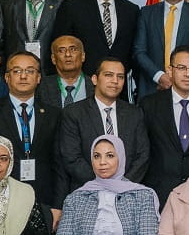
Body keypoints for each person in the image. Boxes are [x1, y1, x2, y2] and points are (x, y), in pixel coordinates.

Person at [0, 51, 61, 207]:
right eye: (17, 71)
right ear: (7, 77)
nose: (23, 76)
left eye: (30, 71)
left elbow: (59, 164)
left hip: (44, 198)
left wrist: (57, 205)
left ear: (38, 78)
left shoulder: (53, 114)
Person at [55, 56, 150, 200]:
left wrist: (122, 185)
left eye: (120, 77)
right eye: (108, 75)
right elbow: (72, 157)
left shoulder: (135, 113)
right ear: (94, 79)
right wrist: (103, 185)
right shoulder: (74, 113)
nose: (115, 81)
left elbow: (142, 155)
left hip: (127, 194)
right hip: (88, 195)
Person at [48, 0, 143, 81]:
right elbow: (59, 47)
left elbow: (134, 52)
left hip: (118, 85)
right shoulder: (72, 7)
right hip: (82, 83)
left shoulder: (131, 10)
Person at [139, 48, 189, 200]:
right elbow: (142, 150)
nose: (188, 74)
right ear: (170, 70)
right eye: (181, 68)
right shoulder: (149, 105)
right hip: (159, 194)